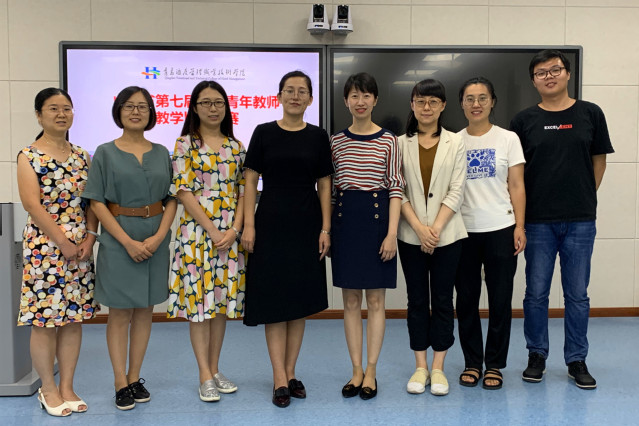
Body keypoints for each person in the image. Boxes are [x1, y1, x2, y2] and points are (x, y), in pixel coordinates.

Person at [510, 50, 613, 389]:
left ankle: (576, 360)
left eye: (555, 69)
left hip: (580, 220)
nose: (549, 76)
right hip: (537, 221)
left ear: (568, 74)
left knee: (577, 295)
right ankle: (536, 355)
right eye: (541, 72)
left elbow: (599, 161)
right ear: (534, 81)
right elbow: (516, 174)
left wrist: (583, 195)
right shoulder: (523, 121)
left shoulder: (590, 113)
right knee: (536, 294)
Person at [241, 71, 333, 408]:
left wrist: (325, 228)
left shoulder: (318, 136)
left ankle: (291, 372)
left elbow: (325, 184)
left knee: (298, 303)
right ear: (279, 96)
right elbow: (250, 181)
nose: (295, 96)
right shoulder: (263, 132)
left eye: (302, 91)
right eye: (289, 90)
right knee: (274, 303)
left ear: (310, 99)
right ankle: (278, 376)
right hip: (269, 223)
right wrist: (249, 225)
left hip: (306, 224)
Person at [82, 86, 176, 409]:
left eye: (142, 106)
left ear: (151, 112)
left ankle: (135, 377)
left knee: (146, 310)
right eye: (129, 106)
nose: (136, 112)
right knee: (120, 313)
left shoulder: (162, 153)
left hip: (155, 238)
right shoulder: (105, 152)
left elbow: (172, 198)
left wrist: (159, 236)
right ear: (119, 111)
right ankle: (119, 381)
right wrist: (126, 241)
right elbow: (96, 201)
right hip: (118, 239)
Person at [16, 88, 99, 417]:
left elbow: (91, 201)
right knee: (45, 321)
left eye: (67, 108)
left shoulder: (82, 155)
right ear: (39, 115)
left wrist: (89, 238)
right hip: (45, 248)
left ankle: (67, 386)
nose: (61, 114)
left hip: (80, 249)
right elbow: (31, 205)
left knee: (73, 320)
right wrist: (62, 242)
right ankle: (47, 389)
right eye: (53, 109)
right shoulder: (28, 155)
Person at [167, 81, 246, 403]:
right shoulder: (184, 143)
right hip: (197, 235)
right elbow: (183, 191)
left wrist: (235, 230)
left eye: (219, 103)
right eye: (206, 103)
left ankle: (215, 369)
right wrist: (213, 230)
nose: (213, 108)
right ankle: (203, 374)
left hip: (229, 237)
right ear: (194, 108)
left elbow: (244, 192)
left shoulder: (237, 146)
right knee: (199, 306)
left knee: (220, 306)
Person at [331, 72, 404, 400]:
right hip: (346, 223)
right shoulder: (335, 142)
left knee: (375, 301)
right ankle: (356, 370)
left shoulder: (390, 140)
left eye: (366, 96)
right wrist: (327, 230)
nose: (360, 102)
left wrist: (391, 234)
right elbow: (332, 191)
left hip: (378, 223)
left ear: (375, 100)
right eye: (354, 96)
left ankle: (372, 371)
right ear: (346, 101)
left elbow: (396, 188)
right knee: (350, 301)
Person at [454, 77, 526, 390]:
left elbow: (517, 185)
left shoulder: (508, 139)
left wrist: (520, 225)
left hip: (501, 228)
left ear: (492, 102)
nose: (476, 104)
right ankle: (472, 362)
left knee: (500, 300)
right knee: (466, 301)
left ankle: (494, 364)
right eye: (470, 98)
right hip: (463, 232)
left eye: (482, 98)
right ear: (461, 104)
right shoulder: (453, 141)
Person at [396, 79, 466, 396]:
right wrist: (420, 229)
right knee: (416, 301)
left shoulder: (456, 142)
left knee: (442, 300)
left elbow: (457, 189)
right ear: (412, 105)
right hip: (411, 235)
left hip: (447, 235)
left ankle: (438, 367)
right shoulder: (399, 144)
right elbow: (398, 190)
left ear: (443, 106)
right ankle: (420, 366)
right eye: (421, 101)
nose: (427, 107)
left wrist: (434, 228)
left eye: (433, 102)